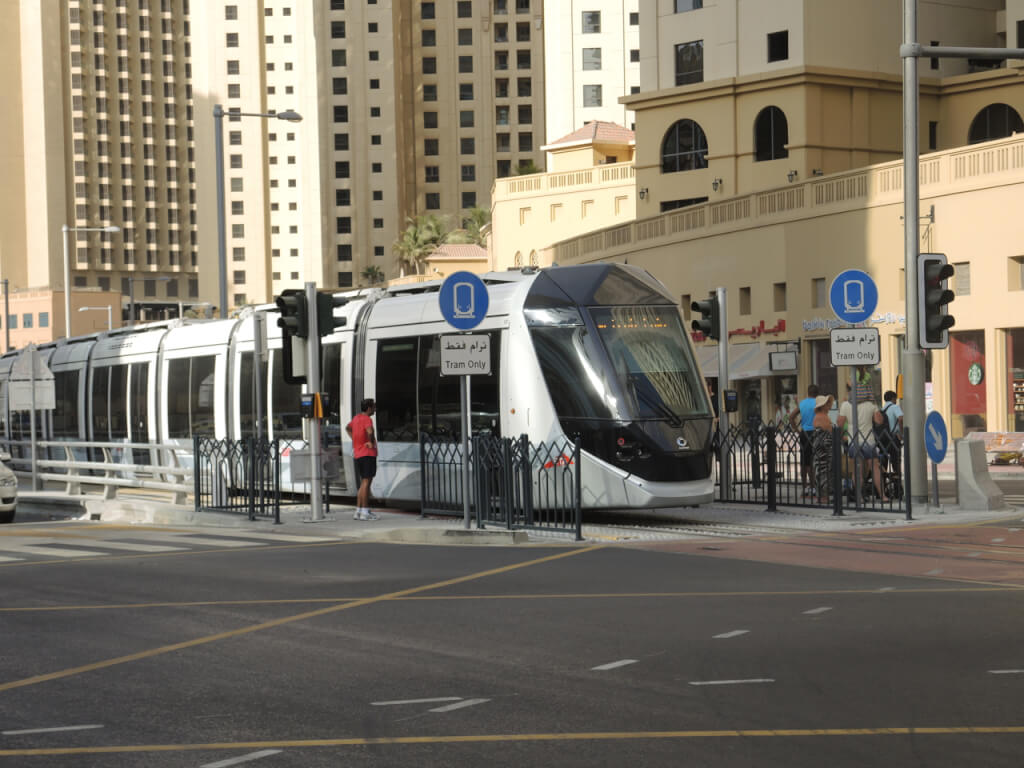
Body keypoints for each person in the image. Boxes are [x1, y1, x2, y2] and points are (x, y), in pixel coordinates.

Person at [346, 398, 379, 521]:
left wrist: (355, 439)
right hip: (367, 454)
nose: (375, 409)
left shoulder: (356, 418)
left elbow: (347, 428)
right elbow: (369, 431)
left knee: (363, 483)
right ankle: (365, 512)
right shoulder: (367, 419)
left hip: (359, 453)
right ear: (369, 408)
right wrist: (370, 442)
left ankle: (358, 511)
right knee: (367, 482)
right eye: (374, 407)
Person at [789, 384, 819, 494]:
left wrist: (797, 430)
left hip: (804, 433)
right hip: (815, 433)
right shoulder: (817, 403)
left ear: (808, 392)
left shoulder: (802, 403)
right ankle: (813, 487)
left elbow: (791, 417)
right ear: (817, 394)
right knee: (812, 461)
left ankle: (805, 487)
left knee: (803, 461)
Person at [811, 394, 834, 503]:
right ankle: (824, 497)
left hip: (821, 447)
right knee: (824, 470)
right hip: (823, 448)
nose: (829, 405)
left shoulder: (821, 416)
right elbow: (830, 430)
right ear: (822, 406)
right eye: (827, 403)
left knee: (821, 470)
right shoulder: (822, 417)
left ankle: (821, 496)